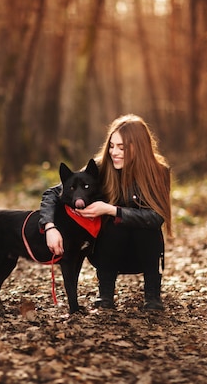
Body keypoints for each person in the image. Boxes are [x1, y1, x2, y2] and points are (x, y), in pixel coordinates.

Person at [39, 114, 171, 310]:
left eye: (122, 147)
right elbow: (54, 192)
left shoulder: (159, 171)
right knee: (114, 225)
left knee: (144, 225)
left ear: (139, 147)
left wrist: (111, 209)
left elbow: (157, 217)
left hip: (143, 254)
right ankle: (105, 295)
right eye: (111, 145)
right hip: (107, 253)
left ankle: (152, 296)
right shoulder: (101, 167)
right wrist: (49, 226)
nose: (114, 152)